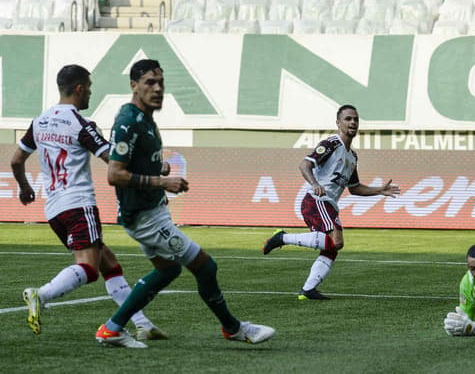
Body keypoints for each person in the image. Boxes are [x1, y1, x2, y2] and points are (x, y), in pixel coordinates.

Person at [94, 59, 275, 348]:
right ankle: (233, 328)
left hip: (148, 212)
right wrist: (161, 182)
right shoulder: (128, 121)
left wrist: (159, 169)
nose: (157, 89)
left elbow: (136, 163)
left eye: (161, 82)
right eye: (149, 83)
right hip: (146, 219)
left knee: (168, 269)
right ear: (133, 86)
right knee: (206, 267)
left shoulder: (145, 118)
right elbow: (114, 174)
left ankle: (113, 328)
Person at [10, 64, 165, 341]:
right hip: (79, 204)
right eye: (90, 88)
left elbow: (16, 159)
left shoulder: (40, 121)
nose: (90, 93)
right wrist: (155, 170)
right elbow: (113, 160)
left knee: (110, 266)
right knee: (89, 268)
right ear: (79, 88)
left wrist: (25, 188)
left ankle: (143, 324)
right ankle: (41, 295)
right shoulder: (81, 125)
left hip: (55, 209)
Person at [263, 104, 401, 300]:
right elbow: (304, 165)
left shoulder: (352, 157)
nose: (352, 122)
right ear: (338, 123)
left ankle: (308, 289)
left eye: (355, 119)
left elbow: (354, 188)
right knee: (336, 241)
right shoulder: (330, 144)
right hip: (316, 199)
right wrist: (314, 183)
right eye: (348, 119)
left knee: (332, 247)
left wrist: (379, 190)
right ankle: (282, 238)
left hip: (330, 204)